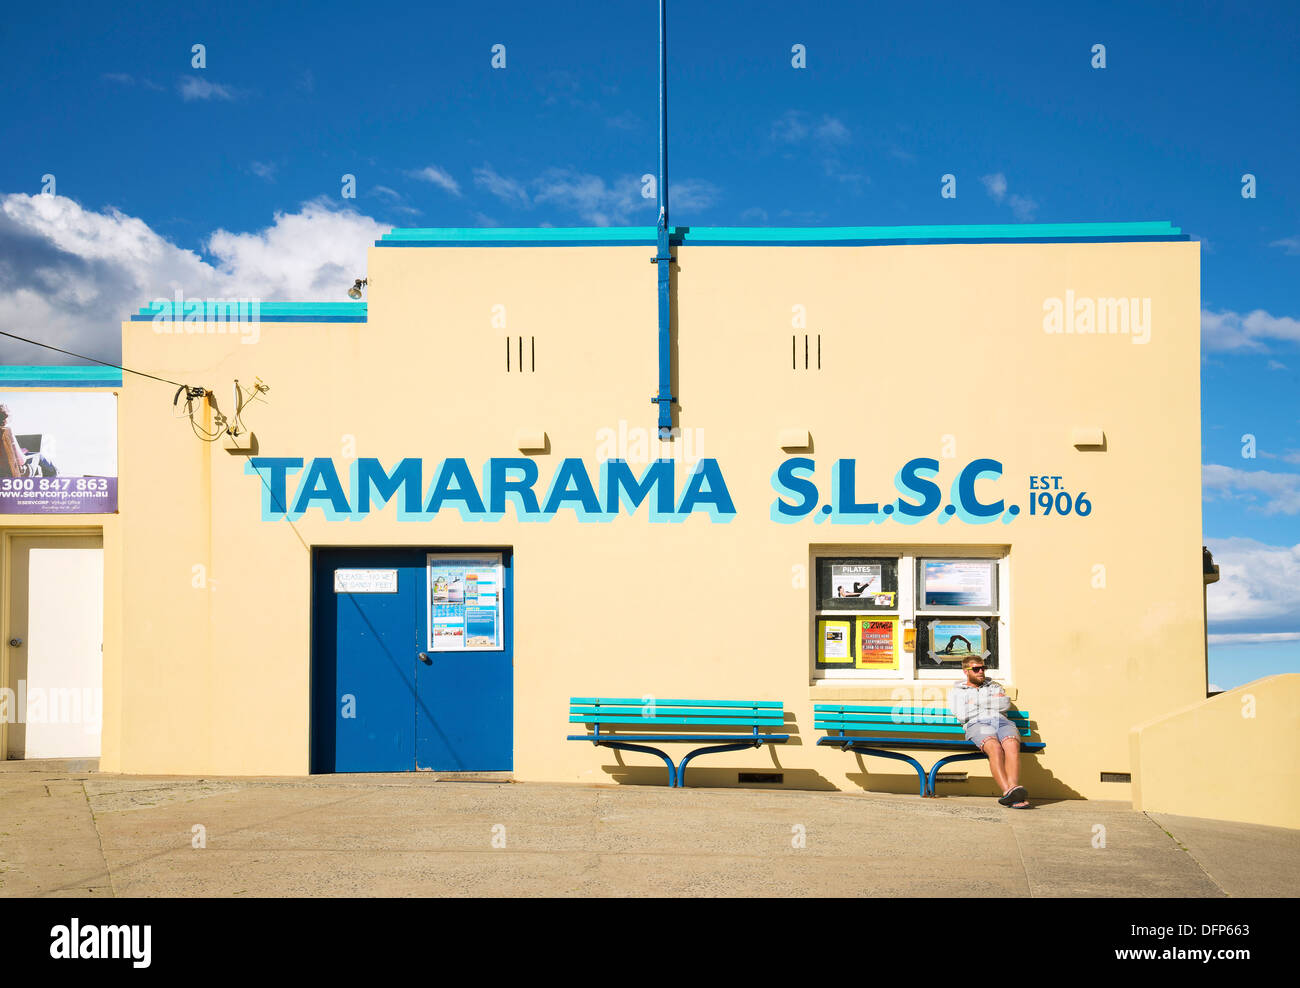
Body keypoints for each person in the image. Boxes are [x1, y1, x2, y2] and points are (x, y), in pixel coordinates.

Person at [947, 655, 1029, 808]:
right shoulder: (956, 692)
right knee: (995, 748)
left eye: (983, 668)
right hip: (977, 724)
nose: (981, 672)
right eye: (976, 669)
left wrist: (975, 702)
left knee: (1011, 744)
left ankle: (1013, 791)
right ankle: (1008, 791)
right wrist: (990, 701)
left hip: (1001, 722)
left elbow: (1004, 704)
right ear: (966, 671)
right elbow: (963, 714)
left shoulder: (995, 686)